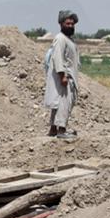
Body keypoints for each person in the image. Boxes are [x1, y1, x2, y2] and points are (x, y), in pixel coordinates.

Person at [44, 10, 80, 139]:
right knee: (64, 103)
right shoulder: (60, 39)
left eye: (72, 24)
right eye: (68, 23)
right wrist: (62, 76)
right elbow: (58, 58)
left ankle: (53, 129)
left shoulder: (68, 39)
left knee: (57, 103)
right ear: (61, 24)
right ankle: (61, 130)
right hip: (64, 77)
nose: (70, 26)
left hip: (67, 76)